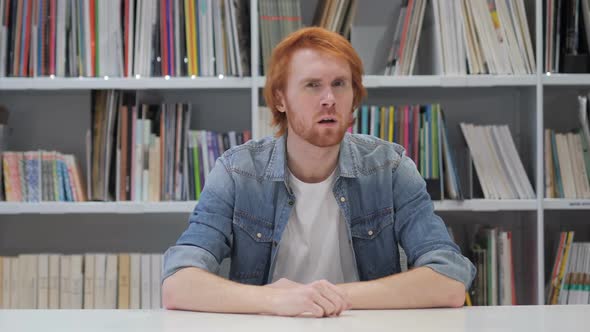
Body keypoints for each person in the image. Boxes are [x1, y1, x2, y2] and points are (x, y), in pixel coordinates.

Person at [161, 27, 475, 318]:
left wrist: (331, 297)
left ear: (354, 96)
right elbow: (178, 283)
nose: (329, 99)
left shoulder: (389, 168)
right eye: (313, 85)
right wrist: (275, 300)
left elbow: (449, 280)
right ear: (281, 98)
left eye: (340, 84)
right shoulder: (236, 172)